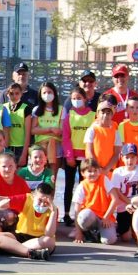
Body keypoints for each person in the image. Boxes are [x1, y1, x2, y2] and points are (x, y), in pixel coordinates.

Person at [0, 182, 57, 260]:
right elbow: (3, 200)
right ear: (33, 196)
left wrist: (53, 212)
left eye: (46, 202)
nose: (42, 205)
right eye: (40, 200)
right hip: (20, 236)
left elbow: (49, 234)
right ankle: (30, 253)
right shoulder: (26, 199)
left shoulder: (53, 210)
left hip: (38, 239)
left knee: (48, 241)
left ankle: (13, 248)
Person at [61, 84, 94, 226]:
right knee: (69, 186)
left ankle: (83, 214)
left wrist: (90, 156)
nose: (76, 100)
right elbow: (66, 137)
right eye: (73, 98)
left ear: (85, 98)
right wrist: (69, 156)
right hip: (72, 157)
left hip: (86, 158)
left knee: (85, 186)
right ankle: (67, 214)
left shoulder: (93, 116)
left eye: (79, 98)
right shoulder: (69, 116)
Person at [72, 158, 120, 245]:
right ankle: (85, 232)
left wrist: (106, 217)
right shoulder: (82, 185)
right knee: (84, 216)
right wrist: (78, 233)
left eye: (95, 170)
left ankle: (97, 233)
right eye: (90, 171)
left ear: (99, 171)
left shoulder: (104, 179)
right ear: (83, 173)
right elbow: (76, 210)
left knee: (109, 240)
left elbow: (115, 199)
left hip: (104, 217)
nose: (93, 173)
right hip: (90, 216)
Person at [28, 82, 62, 176]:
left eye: (49, 92)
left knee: (52, 176)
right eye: (44, 93)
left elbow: (61, 131)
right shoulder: (37, 110)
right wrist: (50, 129)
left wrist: (42, 129)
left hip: (56, 147)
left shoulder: (61, 109)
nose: (47, 95)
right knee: (39, 174)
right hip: (40, 147)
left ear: (54, 93)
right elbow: (33, 130)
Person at [84, 101, 121, 171]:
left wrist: (107, 169)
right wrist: (97, 168)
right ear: (97, 114)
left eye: (108, 113)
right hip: (93, 170)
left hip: (109, 172)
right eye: (103, 113)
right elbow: (89, 151)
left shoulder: (116, 132)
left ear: (112, 115)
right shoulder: (92, 130)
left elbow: (116, 154)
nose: (105, 115)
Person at [2, 82, 33, 163]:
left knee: (19, 173)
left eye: (17, 93)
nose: (14, 96)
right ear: (7, 94)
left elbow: (27, 133)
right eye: (11, 93)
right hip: (6, 146)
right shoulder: (3, 107)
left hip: (20, 147)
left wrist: (24, 154)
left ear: (21, 94)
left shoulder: (25, 108)